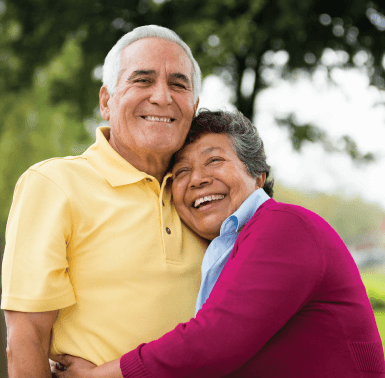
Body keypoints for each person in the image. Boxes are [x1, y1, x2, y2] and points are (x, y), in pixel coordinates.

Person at [53, 110, 385, 378]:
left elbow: (214, 341)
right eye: (181, 171)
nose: (197, 178)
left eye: (214, 161)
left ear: (258, 176)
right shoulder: (222, 250)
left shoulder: (284, 225)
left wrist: (100, 375)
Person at [1, 25, 208, 377]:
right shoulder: (55, 184)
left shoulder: (209, 198)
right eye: (142, 80)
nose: (162, 97)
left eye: (178, 84)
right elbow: (26, 339)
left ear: (195, 106)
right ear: (106, 101)